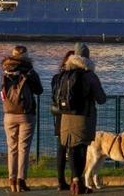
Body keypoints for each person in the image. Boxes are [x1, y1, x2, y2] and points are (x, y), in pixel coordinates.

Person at [60, 43, 107, 194]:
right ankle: (78, 182)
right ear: (87, 56)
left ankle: (74, 181)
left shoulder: (64, 73)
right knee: (81, 150)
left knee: (72, 150)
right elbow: (101, 98)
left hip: (66, 117)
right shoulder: (90, 75)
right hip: (83, 117)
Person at [0, 45, 43, 192]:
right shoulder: (29, 71)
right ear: (26, 55)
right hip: (26, 113)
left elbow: (3, 90)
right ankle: (21, 180)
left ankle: (11, 180)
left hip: (9, 114)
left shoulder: (5, 70)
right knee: (23, 148)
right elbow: (39, 90)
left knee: (12, 148)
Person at [51, 50, 74, 191]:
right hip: (74, 116)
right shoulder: (77, 77)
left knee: (61, 148)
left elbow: (53, 96)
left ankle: (60, 181)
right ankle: (75, 179)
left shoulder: (56, 78)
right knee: (74, 149)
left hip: (60, 115)